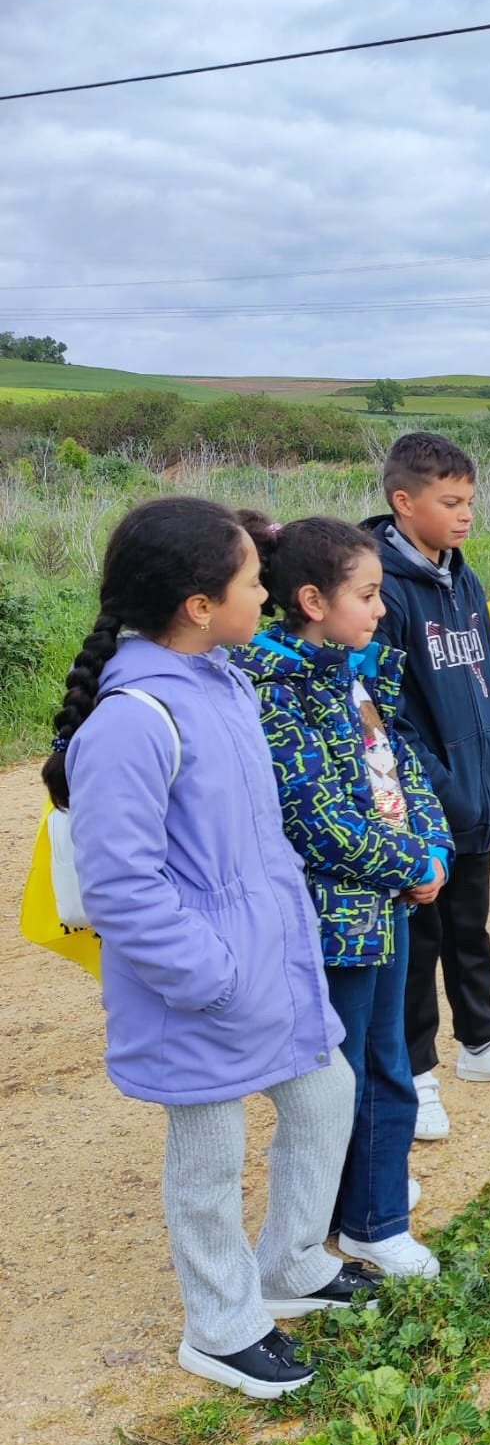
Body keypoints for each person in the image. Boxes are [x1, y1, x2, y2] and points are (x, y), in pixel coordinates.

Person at [43, 498, 363, 1399]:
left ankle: (290, 1262)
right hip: (205, 984)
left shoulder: (223, 682)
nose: (264, 595)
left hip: (270, 966)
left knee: (323, 1094)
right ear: (196, 604)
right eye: (252, 582)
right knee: (209, 1153)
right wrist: (210, 976)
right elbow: (122, 890)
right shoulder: (135, 721)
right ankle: (219, 1324)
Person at [236, 515, 453, 1281]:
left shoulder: (353, 673)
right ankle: (365, 1220)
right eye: (367, 594)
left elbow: (402, 770)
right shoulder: (278, 690)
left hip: (386, 902)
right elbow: (315, 818)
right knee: (348, 1074)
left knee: (384, 1061)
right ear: (312, 600)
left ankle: (367, 1206)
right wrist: (405, 863)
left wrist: (432, 850)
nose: (381, 609)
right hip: (336, 920)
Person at [364, 433, 490, 1142]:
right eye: (449, 502)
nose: (465, 514)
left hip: (478, 789)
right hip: (421, 805)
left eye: (470, 501)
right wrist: (433, 789)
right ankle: (417, 1069)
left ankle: (480, 1046)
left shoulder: (466, 577)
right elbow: (386, 711)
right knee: (420, 940)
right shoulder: (381, 589)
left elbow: (485, 678)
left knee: (471, 928)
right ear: (403, 501)